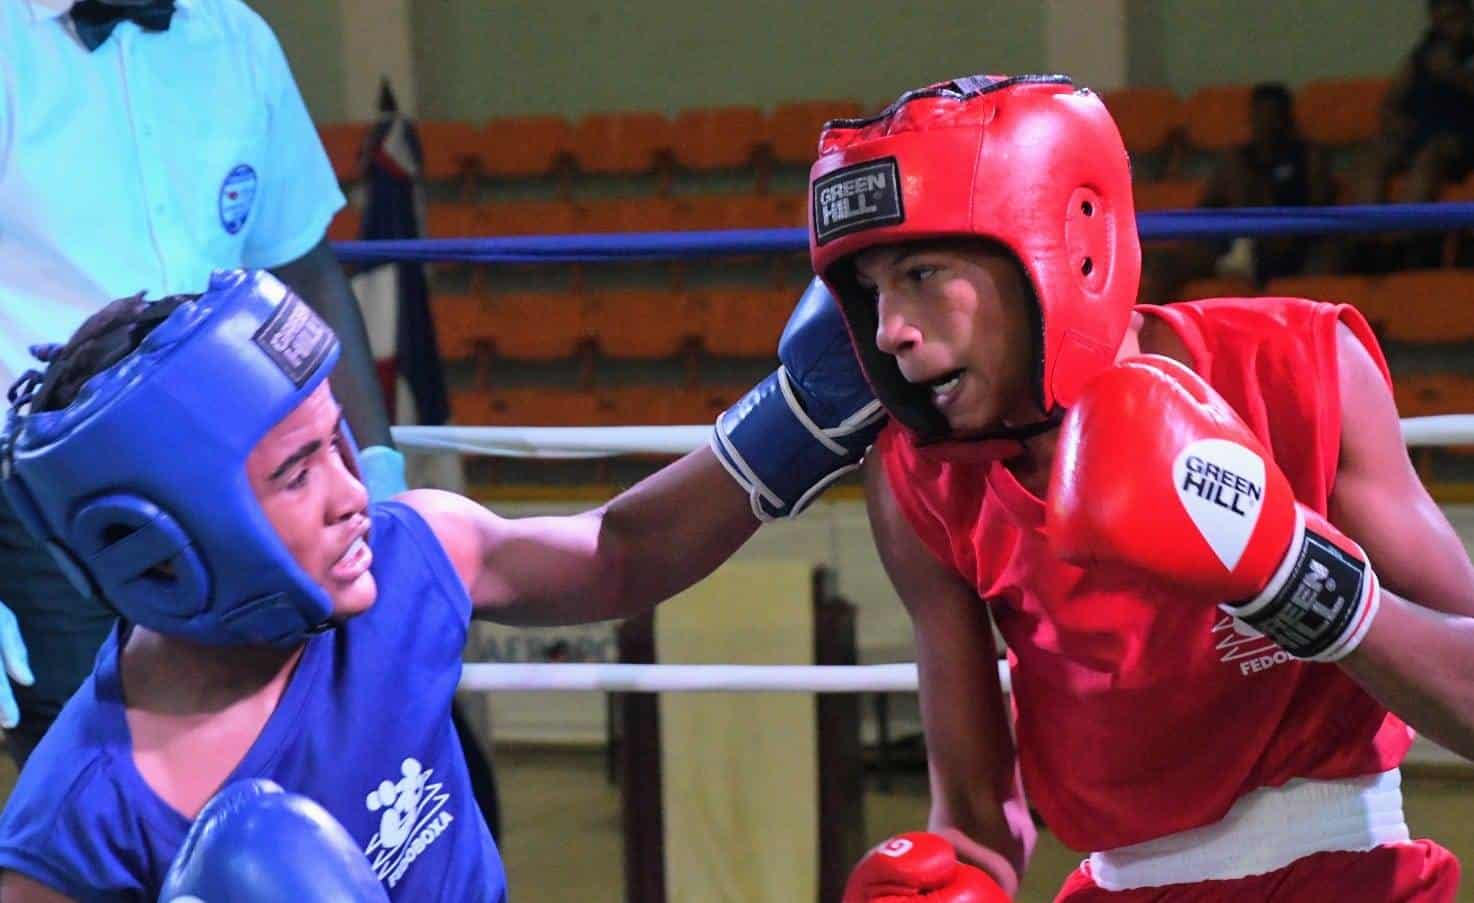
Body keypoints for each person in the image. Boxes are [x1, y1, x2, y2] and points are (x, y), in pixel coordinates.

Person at [0, 267, 881, 899]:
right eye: (297, 471)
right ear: (163, 540)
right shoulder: (80, 821)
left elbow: (617, 552)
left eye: (337, 439)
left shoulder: (409, 557)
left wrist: (799, 418)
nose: (353, 492)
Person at [812, 75, 1469, 901]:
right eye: (871, 290)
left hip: (1342, 872)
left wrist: (1294, 580)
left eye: (922, 273)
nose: (889, 330)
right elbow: (977, 819)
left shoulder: (1293, 369)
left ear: (1058, 243)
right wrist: (949, 879)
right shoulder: (924, 480)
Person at [0, 0, 407, 767]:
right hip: (44, 503)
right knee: (100, 800)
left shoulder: (237, 40)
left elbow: (300, 264)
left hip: (249, 479)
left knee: (289, 764)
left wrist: (376, 461)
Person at [1199, 82, 1336, 284]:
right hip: (1232, 243)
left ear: (1286, 119)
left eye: (1271, 117)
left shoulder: (1308, 157)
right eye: (1258, 115)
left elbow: (1319, 210)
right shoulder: (1236, 160)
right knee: (1169, 262)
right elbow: (1205, 207)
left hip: (1287, 243)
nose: (1264, 123)